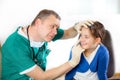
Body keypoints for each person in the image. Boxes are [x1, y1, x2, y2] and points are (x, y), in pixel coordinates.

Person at [2, 9, 86, 80]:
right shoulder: (15, 45)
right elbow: (41, 76)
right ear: (38, 22)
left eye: (57, 28)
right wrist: (72, 62)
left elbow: (67, 33)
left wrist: (76, 27)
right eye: (52, 26)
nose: (55, 32)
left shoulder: (43, 33)